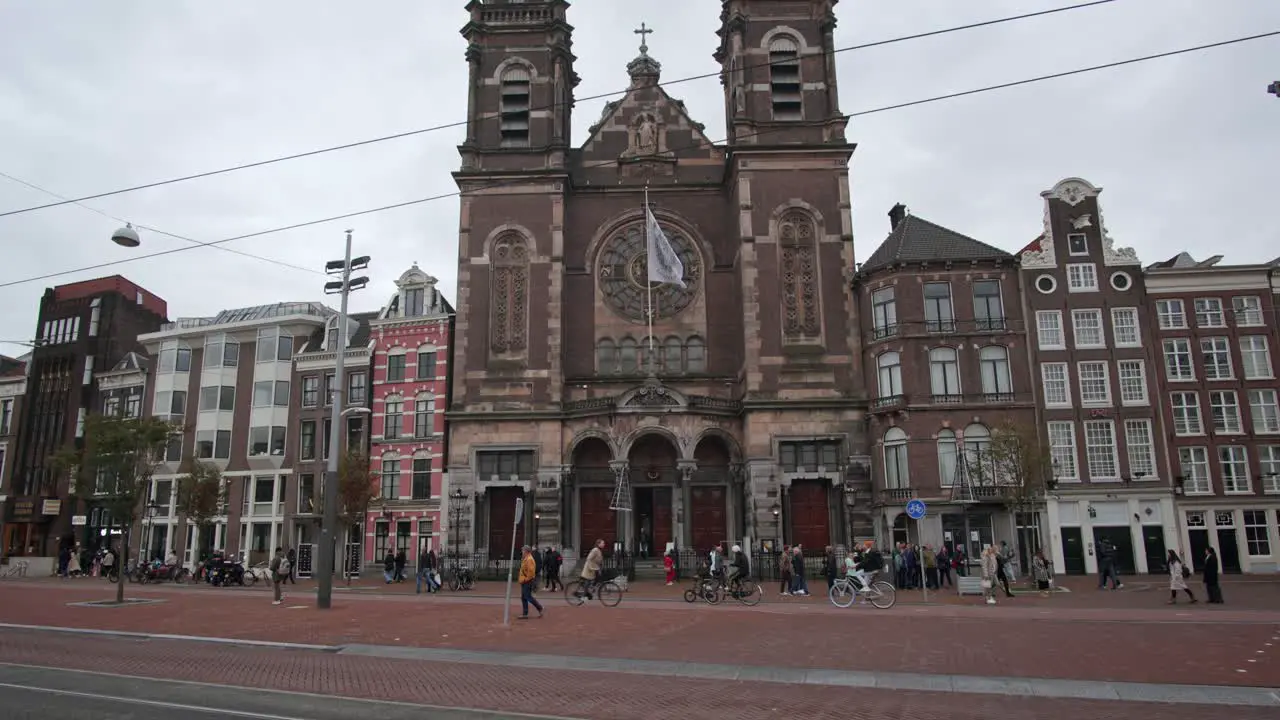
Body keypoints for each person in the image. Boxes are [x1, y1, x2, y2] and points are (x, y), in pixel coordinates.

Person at [516, 545, 544, 620]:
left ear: (526, 551)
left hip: (527, 581)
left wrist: (525, 579)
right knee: (524, 597)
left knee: (528, 597)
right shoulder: (526, 558)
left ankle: (539, 608)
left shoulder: (529, 559)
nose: (522, 552)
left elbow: (531, 572)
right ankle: (525, 613)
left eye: (523, 550)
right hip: (524, 581)